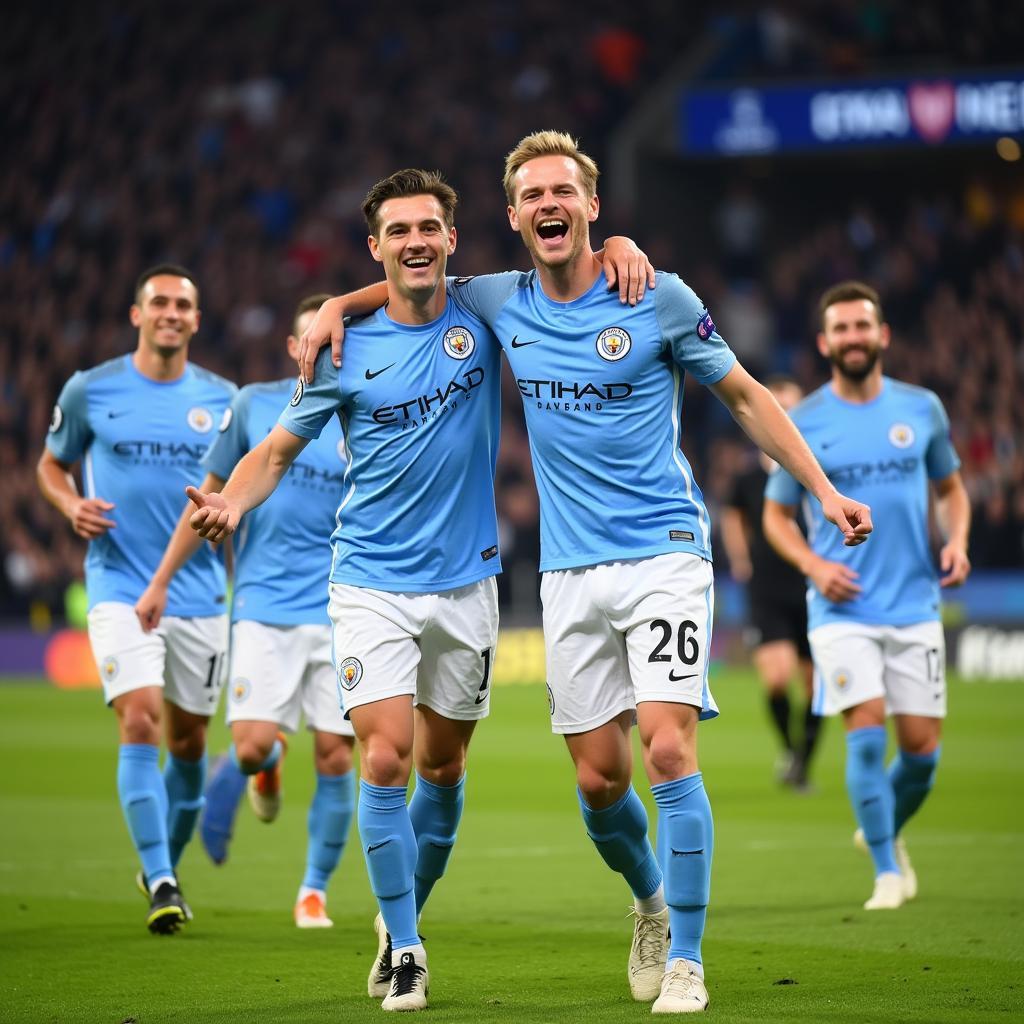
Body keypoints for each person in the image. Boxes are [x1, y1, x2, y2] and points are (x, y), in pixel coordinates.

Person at [299, 132, 872, 1015]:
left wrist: (823, 492)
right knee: (600, 785)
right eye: (531, 196)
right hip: (568, 574)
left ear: (592, 206)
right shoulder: (499, 301)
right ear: (515, 215)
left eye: (563, 191)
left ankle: (685, 956)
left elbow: (749, 397)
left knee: (669, 747)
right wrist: (340, 299)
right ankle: (647, 899)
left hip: (664, 554)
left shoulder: (660, 297)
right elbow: (417, 278)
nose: (547, 205)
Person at [183, 168, 651, 1012]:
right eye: (397, 232)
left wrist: (615, 242)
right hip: (369, 581)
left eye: (428, 227)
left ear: (452, 238)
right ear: (377, 246)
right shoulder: (342, 350)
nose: (415, 242)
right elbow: (277, 452)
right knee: (386, 754)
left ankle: (405, 909)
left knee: (443, 766)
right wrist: (228, 500)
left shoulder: (484, 309)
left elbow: (569, 266)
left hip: (468, 584)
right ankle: (404, 946)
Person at [133, 295, 357, 930]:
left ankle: (313, 890)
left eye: (327, 335)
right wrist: (160, 582)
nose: (317, 343)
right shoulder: (254, 406)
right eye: (306, 336)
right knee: (253, 746)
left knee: (339, 756)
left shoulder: (363, 405)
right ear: (294, 348)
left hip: (345, 605)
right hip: (262, 605)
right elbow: (207, 500)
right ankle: (264, 768)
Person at [37, 264, 236, 934]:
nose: (171, 313)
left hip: (202, 593)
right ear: (137, 314)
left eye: (184, 303)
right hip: (119, 583)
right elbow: (50, 464)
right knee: (142, 721)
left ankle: (165, 864)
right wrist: (69, 504)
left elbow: (243, 489)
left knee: (189, 745)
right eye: (160, 303)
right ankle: (159, 878)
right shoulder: (93, 390)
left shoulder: (223, 398)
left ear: (196, 320)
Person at [764, 281, 970, 911]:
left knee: (922, 754)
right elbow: (777, 517)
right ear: (825, 343)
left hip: (914, 603)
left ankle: (883, 828)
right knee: (865, 732)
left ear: (883, 335)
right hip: (841, 605)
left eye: (863, 326)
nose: (853, 337)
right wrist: (812, 567)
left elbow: (952, 490)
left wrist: (957, 540)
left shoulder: (922, 410)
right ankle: (885, 872)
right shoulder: (802, 423)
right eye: (841, 329)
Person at [720, 375, 821, 791]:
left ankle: (801, 765)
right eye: (777, 404)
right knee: (777, 679)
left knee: (816, 685)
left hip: (813, 583)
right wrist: (741, 557)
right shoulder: (748, 476)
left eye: (792, 405)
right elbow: (731, 515)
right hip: (766, 587)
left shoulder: (814, 467)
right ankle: (791, 751)